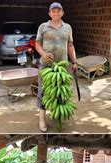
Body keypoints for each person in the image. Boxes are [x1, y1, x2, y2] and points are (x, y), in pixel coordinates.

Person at [35, 2, 78, 132]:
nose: (56, 13)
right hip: (46, 66)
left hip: (63, 66)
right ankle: (42, 119)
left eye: (58, 11)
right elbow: (37, 44)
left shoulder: (67, 27)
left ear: (62, 13)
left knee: (61, 92)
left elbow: (70, 45)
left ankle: (57, 115)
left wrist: (74, 61)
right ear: (49, 13)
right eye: (53, 11)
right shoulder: (43, 26)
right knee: (43, 91)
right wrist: (43, 54)